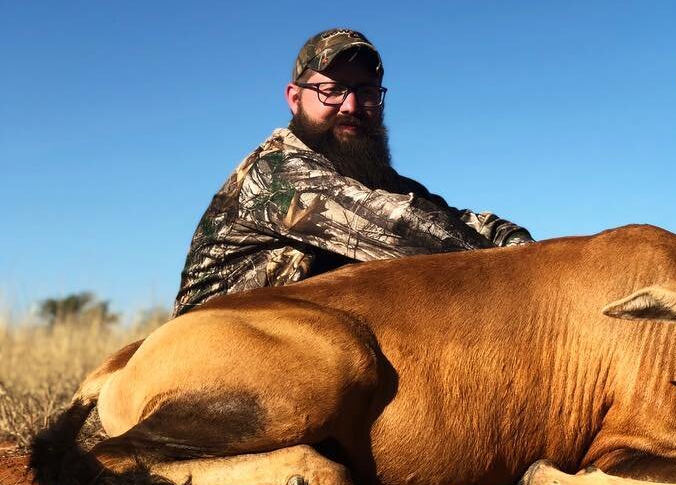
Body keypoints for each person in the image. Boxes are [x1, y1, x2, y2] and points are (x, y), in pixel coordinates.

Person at [173, 28, 532, 316]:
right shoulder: (276, 172)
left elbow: (458, 220)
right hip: (212, 360)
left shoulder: (365, 176)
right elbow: (403, 227)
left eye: (367, 92)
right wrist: (534, 278)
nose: (352, 106)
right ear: (294, 98)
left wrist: (527, 251)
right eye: (331, 90)